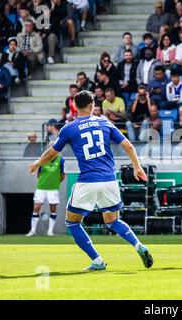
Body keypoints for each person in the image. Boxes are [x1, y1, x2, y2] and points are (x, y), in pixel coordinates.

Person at [27, 90, 154, 271]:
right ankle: (138, 246)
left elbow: (53, 152)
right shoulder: (104, 122)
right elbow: (128, 145)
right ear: (92, 106)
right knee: (112, 221)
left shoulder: (69, 128)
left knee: (72, 222)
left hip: (88, 181)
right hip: (109, 180)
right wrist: (137, 167)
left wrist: (37, 163)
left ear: (74, 106)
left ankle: (97, 261)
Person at [26, 141, 65, 237]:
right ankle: (33, 230)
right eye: (50, 148)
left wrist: (55, 182)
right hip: (41, 187)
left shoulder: (61, 160)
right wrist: (43, 181)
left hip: (53, 188)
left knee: (53, 208)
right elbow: (38, 174)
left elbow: (62, 175)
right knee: (36, 207)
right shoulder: (42, 160)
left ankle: (50, 231)